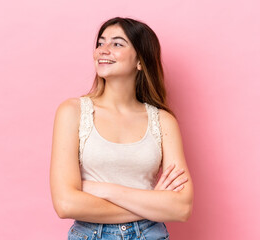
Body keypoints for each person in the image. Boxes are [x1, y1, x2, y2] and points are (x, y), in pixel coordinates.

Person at [50, 16, 194, 240]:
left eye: (117, 43)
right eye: (100, 43)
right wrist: (152, 203)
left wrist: (103, 189)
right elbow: (66, 204)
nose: (103, 50)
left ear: (140, 61)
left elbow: (181, 208)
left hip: (150, 235)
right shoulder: (72, 112)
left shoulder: (163, 121)